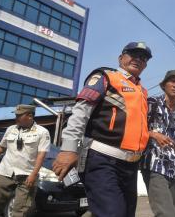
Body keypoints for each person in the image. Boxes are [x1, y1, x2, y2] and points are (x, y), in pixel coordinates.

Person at [52, 42, 152, 217]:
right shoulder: (105, 77)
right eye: (133, 54)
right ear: (121, 58)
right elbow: (81, 112)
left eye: (143, 58)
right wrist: (69, 148)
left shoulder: (142, 91)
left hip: (130, 166)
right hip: (102, 160)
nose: (138, 59)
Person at [141, 70, 175, 217]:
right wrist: (154, 134)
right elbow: (135, 127)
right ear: (164, 85)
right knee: (165, 214)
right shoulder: (151, 103)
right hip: (153, 165)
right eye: (172, 81)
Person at [0, 104, 50, 217]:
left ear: (30, 116)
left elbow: (41, 154)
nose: (16, 118)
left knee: (21, 212)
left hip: (26, 175)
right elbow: (1, 147)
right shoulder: (11, 129)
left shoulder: (42, 132)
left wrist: (34, 174)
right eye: (16, 115)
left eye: (19, 115)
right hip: (5, 172)